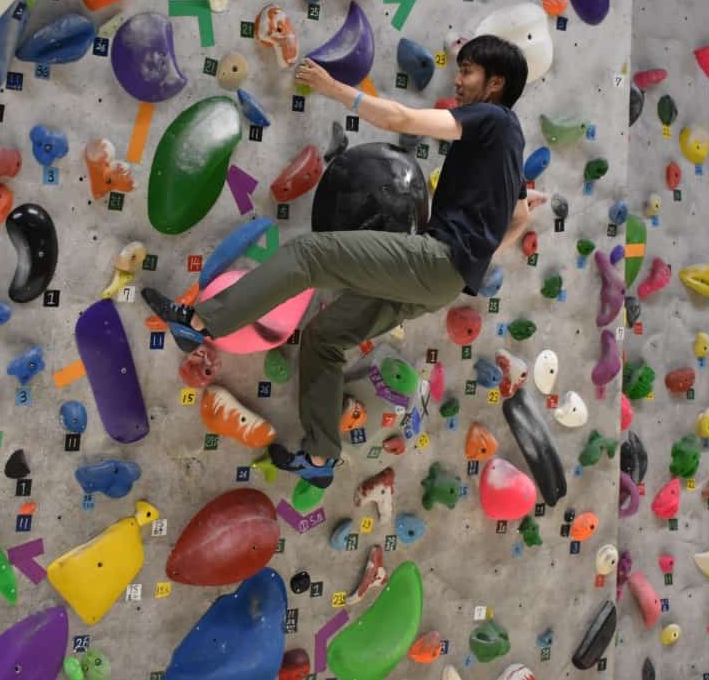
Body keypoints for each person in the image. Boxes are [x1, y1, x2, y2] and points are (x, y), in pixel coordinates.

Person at [144, 34, 544, 488]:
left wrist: (334, 88)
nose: (459, 79)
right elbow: (521, 215)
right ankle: (319, 457)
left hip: (437, 261)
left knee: (311, 253)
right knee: (323, 339)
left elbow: (403, 117)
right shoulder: (511, 143)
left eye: (469, 72)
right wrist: (475, 258)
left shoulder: (492, 118)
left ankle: (199, 323)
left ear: (496, 83)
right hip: (444, 280)